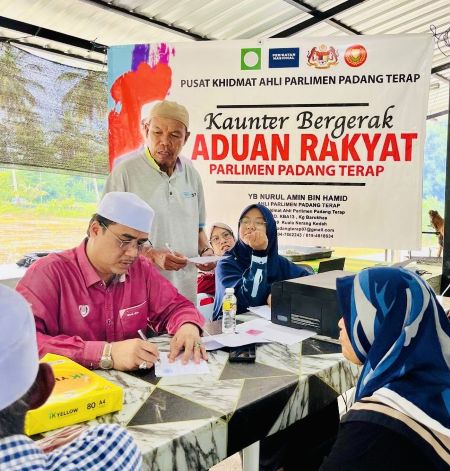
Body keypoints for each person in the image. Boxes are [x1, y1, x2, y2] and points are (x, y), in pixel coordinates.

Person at [16, 192, 207, 372]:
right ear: (95, 230)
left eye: (140, 244)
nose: (133, 252)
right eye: (124, 240)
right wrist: (105, 353)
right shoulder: (48, 273)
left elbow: (176, 307)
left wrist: (187, 326)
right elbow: (18, 343)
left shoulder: (140, 269)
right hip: (69, 388)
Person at [0, 285, 142, 470]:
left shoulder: (143, 272)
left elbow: (173, 305)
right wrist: (104, 352)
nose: (131, 257)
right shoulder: (112, 448)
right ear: (43, 387)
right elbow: (117, 442)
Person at [320, 267, 450, 470]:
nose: (340, 323)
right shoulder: (438, 379)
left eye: (353, 313)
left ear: (385, 322)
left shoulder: (376, 425)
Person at [103, 100, 214, 304]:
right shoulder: (125, 173)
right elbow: (107, 236)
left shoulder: (192, 176)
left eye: (174, 135)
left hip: (184, 291)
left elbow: (198, 230)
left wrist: (206, 252)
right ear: (146, 130)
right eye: (157, 132)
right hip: (138, 291)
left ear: (186, 137)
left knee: (186, 325)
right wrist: (152, 255)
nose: (165, 142)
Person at [213, 204, 311, 320]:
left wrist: (279, 295)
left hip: (272, 326)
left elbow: (309, 282)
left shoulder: (277, 261)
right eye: (245, 221)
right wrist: (259, 253)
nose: (250, 226)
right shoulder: (226, 263)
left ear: (270, 230)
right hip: (231, 326)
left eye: (259, 222)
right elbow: (250, 299)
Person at [197, 222, 236, 296]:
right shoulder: (208, 268)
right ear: (211, 246)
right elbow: (198, 288)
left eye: (226, 235)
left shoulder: (249, 259)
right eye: (216, 239)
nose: (223, 241)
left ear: (233, 238)